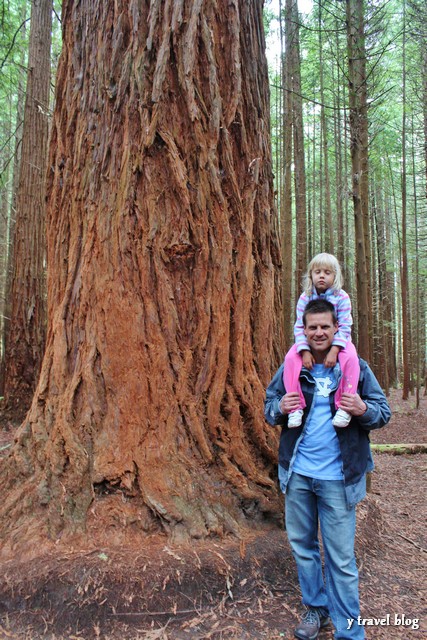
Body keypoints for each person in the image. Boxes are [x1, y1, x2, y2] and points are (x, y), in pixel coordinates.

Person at [264, 299, 391, 640]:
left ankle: (349, 629)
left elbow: (383, 412)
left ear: (337, 329)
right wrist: (279, 406)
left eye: (325, 326)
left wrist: (363, 408)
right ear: (303, 331)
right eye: (312, 327)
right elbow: (268, 407)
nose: (319, 332)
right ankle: (316, 608)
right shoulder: (291, 365)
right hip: (299, 474)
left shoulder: (356, 367)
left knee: (341, 559)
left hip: (339, 478)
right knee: (303, 547)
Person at [284, 253, 359, 428]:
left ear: (335, 276)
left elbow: (346, 325)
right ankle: (295, 407)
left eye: (327, 272)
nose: (322, 276)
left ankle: (345, 406)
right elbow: (299, 326)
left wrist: (334, 350)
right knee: (289, 359)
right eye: (317, 272)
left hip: (340, 341)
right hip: (308, 344)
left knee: (352, 358)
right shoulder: (305, 297)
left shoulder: (342, 297)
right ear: (311, 275)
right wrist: (304, 351)